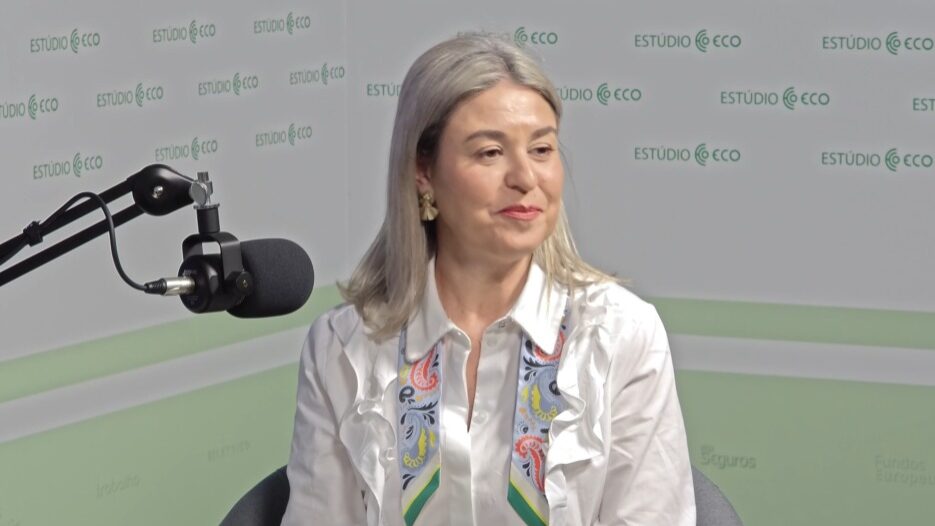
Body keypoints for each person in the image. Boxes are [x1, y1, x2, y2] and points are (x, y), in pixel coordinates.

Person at [281, 32, 695, 526]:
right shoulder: (344, 347)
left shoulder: (622, 334)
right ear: (423, 172)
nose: (525, 177)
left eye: (541, 149)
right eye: (490, 153)